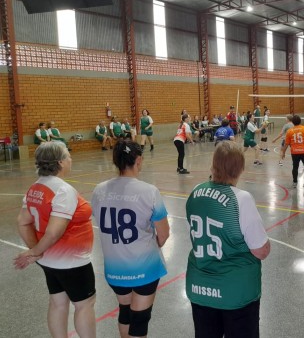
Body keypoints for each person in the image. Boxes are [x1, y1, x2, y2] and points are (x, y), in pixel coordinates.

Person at [186, 141, 270, 338]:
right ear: (240, 168)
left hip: (200, 287)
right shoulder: (241, 199)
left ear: (213, 164)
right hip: (235, 292)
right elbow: (261, 250)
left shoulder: (196, 191)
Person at [14, 141, 96, 338]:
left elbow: (23, 222)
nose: (71, 159)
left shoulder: (35, 187)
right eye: (68, 155)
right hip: (72, 262)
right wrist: (34, 251)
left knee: (58, 302)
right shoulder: (62, 190)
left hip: (49, 261)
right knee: (85, 305)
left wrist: (38, 252)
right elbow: (54, 232)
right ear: (59, 162)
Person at [92, 140, 170, 338]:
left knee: (125, 311)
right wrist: (155, 244)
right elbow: (163, 233)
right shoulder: (149, 191)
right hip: (144, 268)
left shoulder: (99, 190)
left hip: (114, 269)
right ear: (138, 160)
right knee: (140, 320)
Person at [281, 114, 304, 190]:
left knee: (295, 167)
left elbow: (286, 144)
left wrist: (283, 152)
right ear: (300, 121)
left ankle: (294, 182)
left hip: (295, 152)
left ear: (293, 122)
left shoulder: (290, 131)